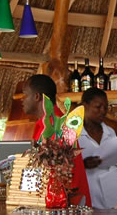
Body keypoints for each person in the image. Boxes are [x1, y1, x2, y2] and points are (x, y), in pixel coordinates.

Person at [21, 73, 92, 207]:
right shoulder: (44, 124)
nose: (22, 99)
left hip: (66, 208)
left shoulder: (57, 126)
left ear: (36, 97)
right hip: (54, 204)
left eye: (25, 95)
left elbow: (58, 174)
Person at [78, 89, 117, 209]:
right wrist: (82, 165)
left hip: (110, 204)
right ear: (85, 106)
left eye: (106, 107)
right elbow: (61, 169)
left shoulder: (110, 132)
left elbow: (110, 166)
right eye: (98, 107)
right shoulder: (74, 134)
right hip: (83, 204)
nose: (103, 111)